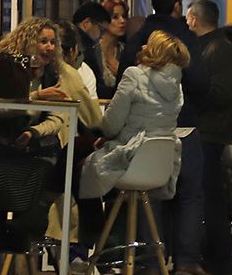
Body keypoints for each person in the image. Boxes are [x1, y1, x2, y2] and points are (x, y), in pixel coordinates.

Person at [80, 30, 188, 202]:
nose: (143, 46)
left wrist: (106, 135)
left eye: (149, 44)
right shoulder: (177, 86)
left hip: (129, 160)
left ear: (154, 51)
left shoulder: (134, 75)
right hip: (161, 165)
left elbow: (110, 127)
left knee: (79, 159)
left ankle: (90, 227)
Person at [183, 0, 232, 275]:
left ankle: (220, 261)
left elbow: (222, 92)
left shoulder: (216, 49)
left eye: (188, 19)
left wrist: (191, 98)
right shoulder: (217, 47)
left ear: (195, 20)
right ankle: (217, 259)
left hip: (209, 131)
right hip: (209, 129)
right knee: (209, 195)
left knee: (209, 196)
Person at [120, 0, 192, 71]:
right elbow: (197, 79)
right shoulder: (186, 38)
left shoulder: (137, 38)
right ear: (177, 6)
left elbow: (122, 76)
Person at [71, 3, 110, 96]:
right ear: (86, 23)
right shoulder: (85, 46)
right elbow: (97, 84)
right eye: (101, 30)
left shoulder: (72, 38)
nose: (102, 36)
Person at [98, 0, 129, 97]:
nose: (122, 21)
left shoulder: (125, 51)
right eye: (115, 17)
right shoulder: (93, 50)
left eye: (124, 16)